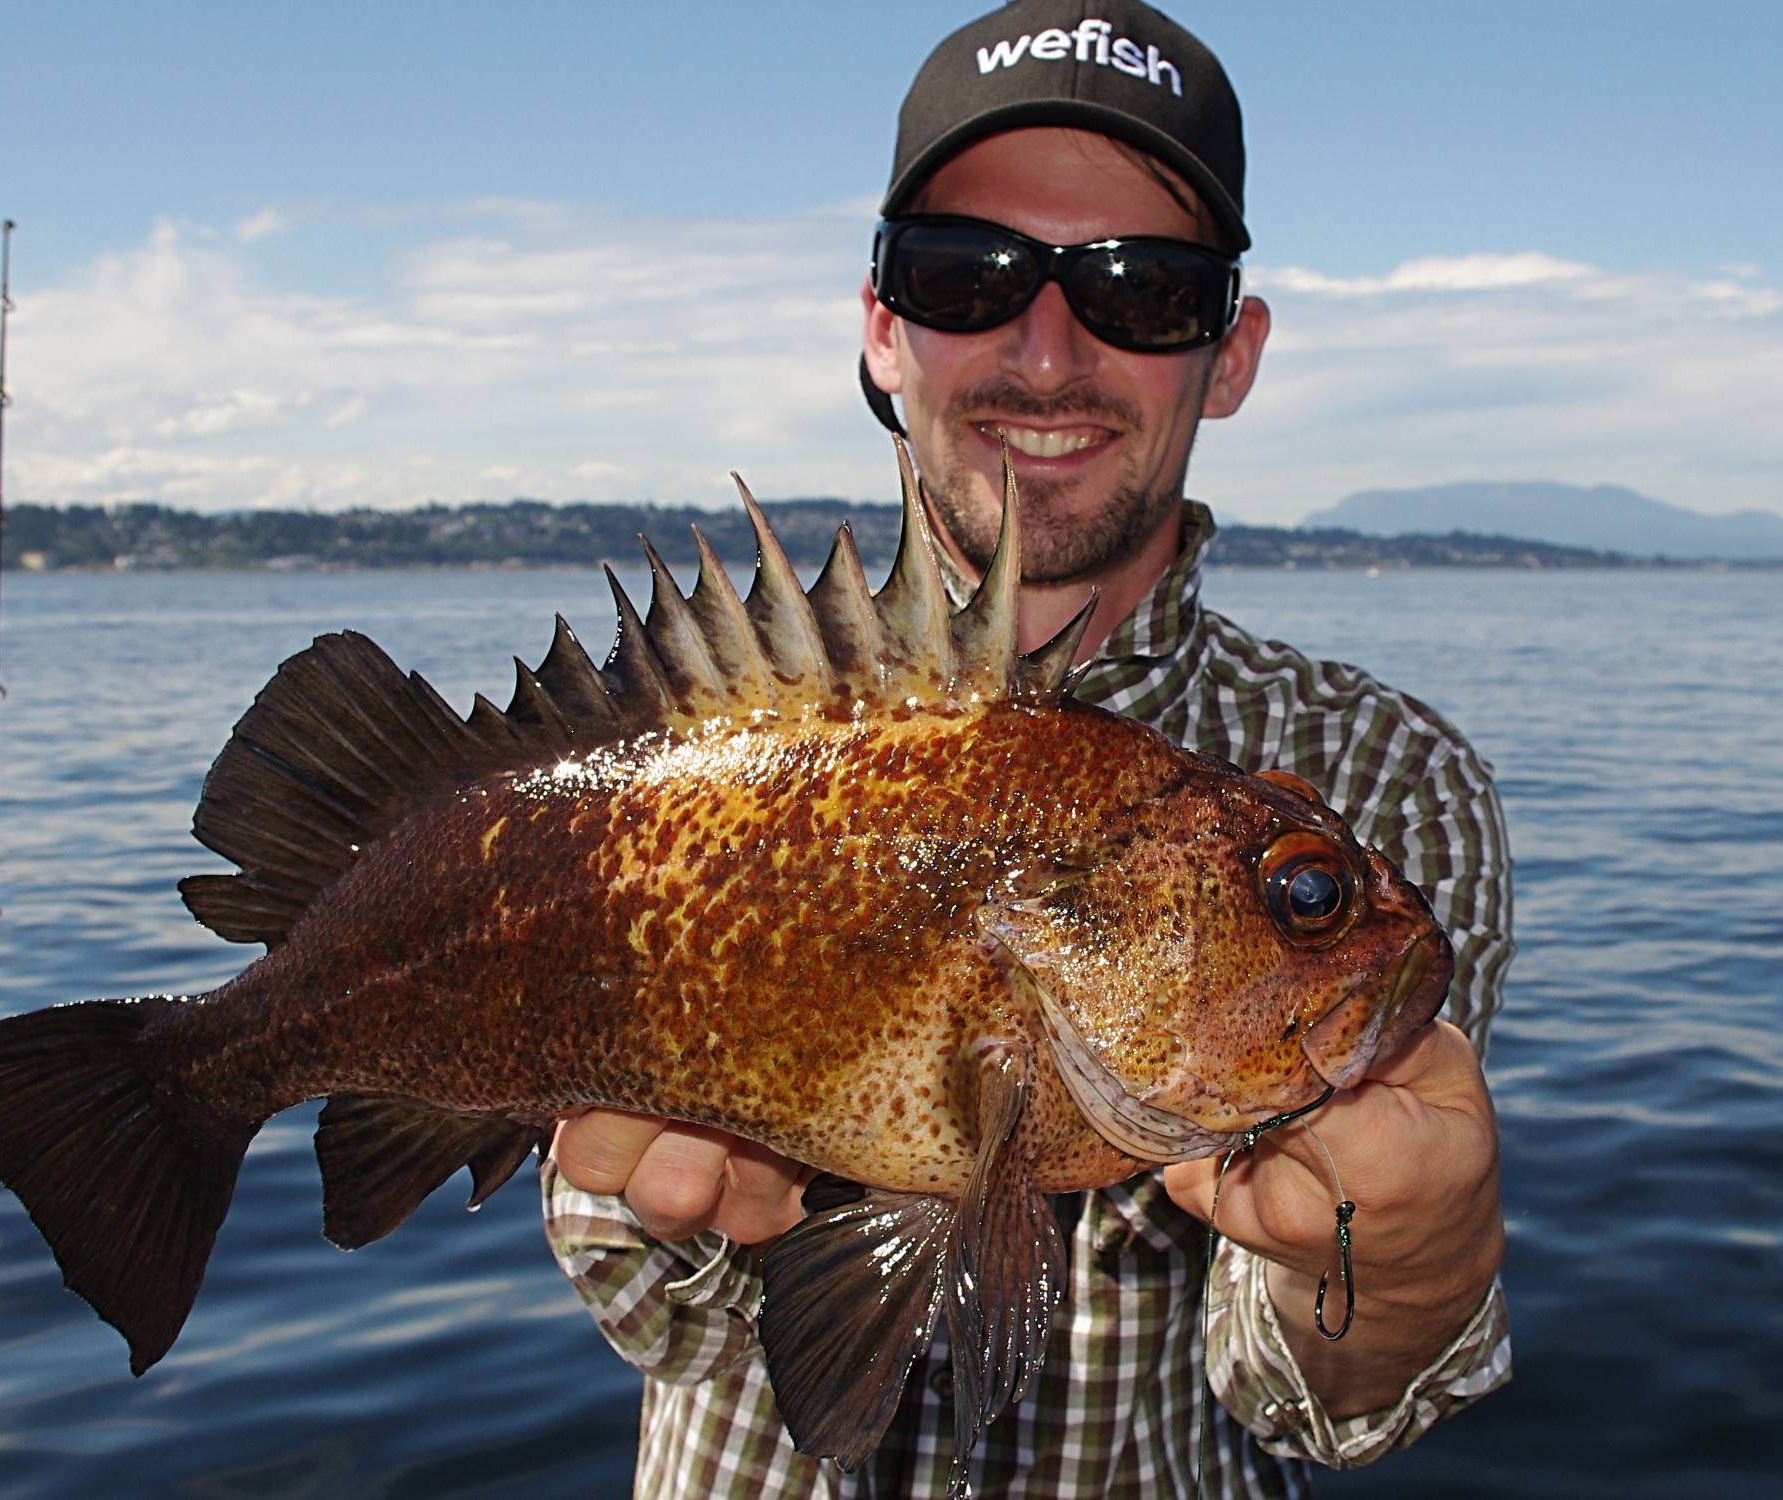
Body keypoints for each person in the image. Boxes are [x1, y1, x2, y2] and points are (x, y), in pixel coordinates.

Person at [542, 3, 1513, 1495]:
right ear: (881, 325)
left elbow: (1297, 1393)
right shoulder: (700, 750)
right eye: (967, 275)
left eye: (1143, 287)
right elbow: (659, 1317)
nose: (1047, 350)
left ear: (1231, 351)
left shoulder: (1391, 779)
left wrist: (1419, 1266)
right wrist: (671, 1222)